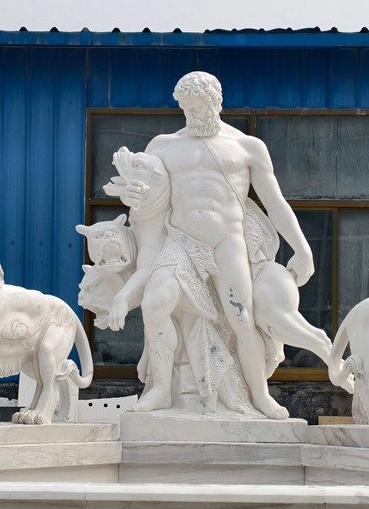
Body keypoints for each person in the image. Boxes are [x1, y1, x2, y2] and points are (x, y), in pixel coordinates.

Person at [115, 71, 314, 419]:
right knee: (154, 304)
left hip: (227, 242)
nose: (194, 115)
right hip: (180, 242)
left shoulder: (247, 147)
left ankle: (260, 395)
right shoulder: (162, 146)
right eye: (187, 108)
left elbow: (276, 203)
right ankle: (161, 389)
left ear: (217, 102)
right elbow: (148, 199)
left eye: (201, 107)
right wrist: (133, 197)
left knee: (241, 318)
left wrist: (301, 248)